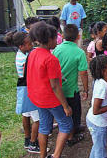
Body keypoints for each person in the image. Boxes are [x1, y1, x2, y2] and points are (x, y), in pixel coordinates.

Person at [26, 21, 73, 158]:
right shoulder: (51, 59)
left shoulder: (33, 54)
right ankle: (56, 155)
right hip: (51, 99)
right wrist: (65, 106)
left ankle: (42, 155)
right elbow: (55, 85)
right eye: (55, 38)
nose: (57, 40)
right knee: (66, 125)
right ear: (50, 39)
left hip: (37, 98)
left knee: (44, 127)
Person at [4, 31, 40, 153]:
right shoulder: (25, 59)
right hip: (30, 88)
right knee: (37, 118)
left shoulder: (20, 54)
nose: (32, 45)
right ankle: (33, 143)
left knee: (26, 114)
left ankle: (27, 138)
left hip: (23, 87)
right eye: (29, 44)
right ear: (21, 46)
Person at [52, 24, 88, 146]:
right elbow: (83, 73)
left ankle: (68, 130)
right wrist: (86, 89)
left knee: (63, 111)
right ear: (78, 37)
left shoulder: (57, 49)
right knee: (74, 113)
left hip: (57, 90)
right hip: (72, 91)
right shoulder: (79, 52)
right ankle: (71, 137)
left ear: (62, 36)